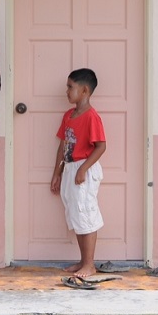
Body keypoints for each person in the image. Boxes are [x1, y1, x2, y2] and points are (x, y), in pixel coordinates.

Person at [50, 68, 107, 279]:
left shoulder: (92, 117)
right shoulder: (68, 115)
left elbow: (101, 146)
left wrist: (83, 169)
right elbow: (62, 146)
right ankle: (83, 261)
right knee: (76, 214)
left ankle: (90, 265)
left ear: (84, 91)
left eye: (70, 87)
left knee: (86, 213)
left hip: (84, 169)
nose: (66, 91)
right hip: (70, 168)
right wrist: (57, 173)